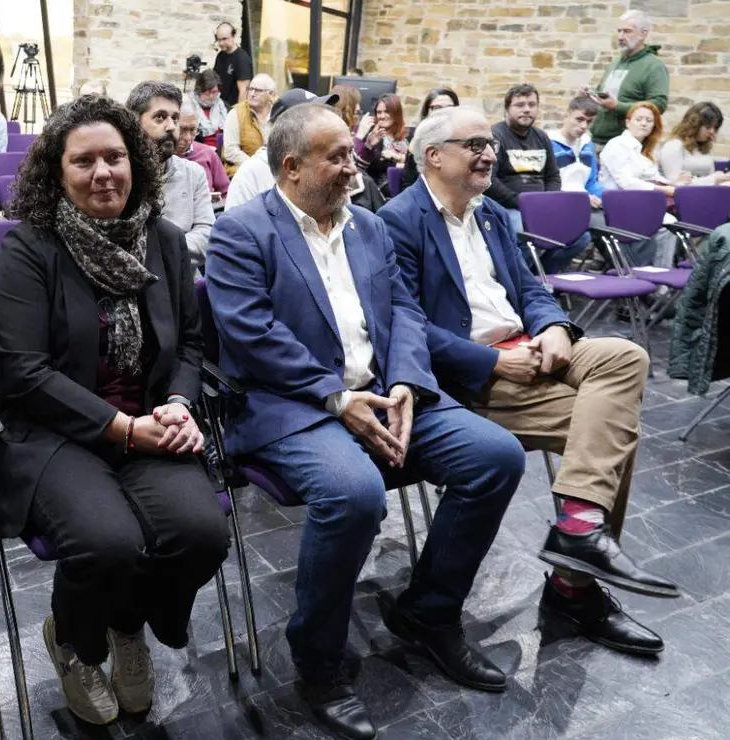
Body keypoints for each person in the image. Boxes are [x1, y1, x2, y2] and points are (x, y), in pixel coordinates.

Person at [206, 102, 524, 739]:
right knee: (354, 493)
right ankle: (318, 661)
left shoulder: (369, 228)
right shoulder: (242, 231)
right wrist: (334, 396)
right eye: (338, 156)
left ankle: (429, 613)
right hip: (291, 405)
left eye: (351, 154)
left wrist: (407, 379)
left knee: (496, 457)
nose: (355, 166)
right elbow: (251, 335)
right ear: (292, 167)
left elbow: (405, 311)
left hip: (383, 390)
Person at [380, 105, 679, 660]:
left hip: (533, 354)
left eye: (488, 143)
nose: (489, 152)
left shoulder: (490, 213)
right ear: (433, 156)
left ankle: (578, 530)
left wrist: (554, 326)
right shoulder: (396, 222)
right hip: (473, 378)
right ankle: (573, 588)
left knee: (625, 357)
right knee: (615, 431)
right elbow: (403, 325)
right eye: (473, 144)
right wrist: (490, 363)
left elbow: (532, 288)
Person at [0, 94, 229, 726]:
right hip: (53, 429)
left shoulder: (166, 241)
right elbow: (24, 372)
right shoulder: (29, 248)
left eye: (115, 157)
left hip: (150, 414)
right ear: (57, 173)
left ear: (136, 163)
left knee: (200, 535)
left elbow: (191, 345)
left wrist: (176, 402)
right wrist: (123, 429)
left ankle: (127, 623)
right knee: (107, 542)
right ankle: (75, 642)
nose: (103, 173)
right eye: (83, 161)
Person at [126, 82, 214, 269]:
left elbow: (207, 236)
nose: (171, 127)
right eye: (160, 118)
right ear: (134, 123)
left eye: (175, 118)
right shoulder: (121, 175)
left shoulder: (193, 174)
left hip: (182, 282)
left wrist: (160, 252)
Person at [599, 102, 687, 267]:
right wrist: (664, 190)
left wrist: (674, 183)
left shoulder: (645, 150)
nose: (644, 123)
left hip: (643, 202)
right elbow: (626, 182)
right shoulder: (617, 145)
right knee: (668, 226)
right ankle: (661, 283)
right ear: (628, 122)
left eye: (649, 120)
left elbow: (653, 176)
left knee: (677, 220)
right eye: (639, 119)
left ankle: (661, 278)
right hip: (620, 204)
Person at [225, 88, 338, 211]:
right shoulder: (252, 173)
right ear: (284, 130)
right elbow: (234, 227)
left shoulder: (329, 166)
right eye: (314, 122)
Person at [484, 84, 562, 242]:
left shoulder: (541, 137)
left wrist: (546, 202)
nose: (527, 109)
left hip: (541, 206)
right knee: (522, 236)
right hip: (508, 207)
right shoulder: (494, 136)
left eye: (532, 105)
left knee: (578, 237)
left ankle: (541, 268)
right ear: (507, 109)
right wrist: (523, 203)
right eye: (520, 105)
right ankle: (521, 267)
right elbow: (490, 180)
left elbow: (553, 176)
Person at [587, 10, 670, 150]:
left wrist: (617, 106)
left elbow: (658, 105)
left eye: (627, 31)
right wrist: (590, 93)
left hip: (628, 146)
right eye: (619, 31)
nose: (620, 36)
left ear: (643, 34)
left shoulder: (654, 65)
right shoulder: (615, 62)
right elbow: (603, 93)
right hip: (598, 141)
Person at [542, 96, 606, 273]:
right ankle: (546, 274)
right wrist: (581, 199)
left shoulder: (587, 144)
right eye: (579, 119)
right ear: (567, 115)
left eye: (589, 122)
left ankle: (630, 273)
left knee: (620, 220)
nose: (584, 126)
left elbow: (592, 181)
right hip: (559, 204)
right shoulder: (548, 142)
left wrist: (606, 198)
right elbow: (546, 183)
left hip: (586, 204)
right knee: (600, 229)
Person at [659, 102, 730, 186]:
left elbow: (710, 177)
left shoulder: (705, 147)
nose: (712, 131)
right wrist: (714, 179)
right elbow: (674, 183)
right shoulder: (673, 145)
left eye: (715, 128)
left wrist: (721, 179)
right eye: (708, 127)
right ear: (694, 124)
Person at [402, 87, 460, 188]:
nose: (443, 112)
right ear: (426, 111)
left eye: (449, 108)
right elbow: (409, 182)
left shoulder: (463, 138)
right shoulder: (417, 140)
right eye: (437, 108)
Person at [355, 93, 409, 196]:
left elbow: (413, 162)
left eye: (387, 112)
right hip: (379, 191)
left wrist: (398, 158)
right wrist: (398, 164)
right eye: (379, 112)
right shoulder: (372, 133)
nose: (382, 116)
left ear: (396, 113)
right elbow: (374, 164)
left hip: (403, 189)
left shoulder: (405, 137)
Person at [222, 72, 274, 176]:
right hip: (244, 169)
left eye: (258, 90)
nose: (252, 94)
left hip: (274, 169)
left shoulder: (278, 112)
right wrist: (256, 165)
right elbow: (230, 151)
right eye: (250, 89)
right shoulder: (236, 113)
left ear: (271, 94)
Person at [177, 100, 229, 198]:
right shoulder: (157, 155)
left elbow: (226, 192)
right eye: (181, 130)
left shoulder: (208, 153)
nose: (188, 137)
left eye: (192, 130)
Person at [212, 21, 252, 107]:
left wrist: (237, 114)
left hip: (232, 109)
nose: (221, 43)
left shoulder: (242, 59)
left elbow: (244, 91)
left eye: (224, 39)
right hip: (219, 106)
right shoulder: (221, 55)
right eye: (219, 39)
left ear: (233, 36)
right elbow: (214, 81)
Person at [188, 68, 226, 150]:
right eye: (208, 92)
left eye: (215, 92)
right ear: (200, 90)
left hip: (222, 151)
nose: (212, 96)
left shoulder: (223, 106)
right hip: (200, 151)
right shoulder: (189, 105)